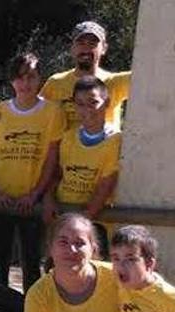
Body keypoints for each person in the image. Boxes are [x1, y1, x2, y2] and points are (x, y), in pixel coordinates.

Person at [0, 52, 65, 292]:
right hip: (2, 200)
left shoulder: (52, 112)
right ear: (11, 81)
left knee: (30, 261)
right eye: (19, 78)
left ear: (40, 79)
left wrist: (36, 195)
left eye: (31, 77)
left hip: (32, 203)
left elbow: (52, 158)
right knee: (0, 258)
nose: (25, 83)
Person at [43, 76, 121, 253]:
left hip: (93, 223)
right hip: (63, 216)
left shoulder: (115, 141)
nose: (87, 109)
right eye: (80, 103)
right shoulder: (68, 137)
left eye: (93, 102)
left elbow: (106, 186)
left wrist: (81, 224)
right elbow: (57, 175)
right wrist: (48, 199)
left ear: (107, 102)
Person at [41, 20, 131, 131]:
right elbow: (38, 117)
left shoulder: (116, 82)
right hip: (65, 147)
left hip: (104, 147)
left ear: (104, 48)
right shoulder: (55, 83)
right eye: (81, 43)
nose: (86, 49)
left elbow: (151, 76)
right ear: (72, 48)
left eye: (92, 43)